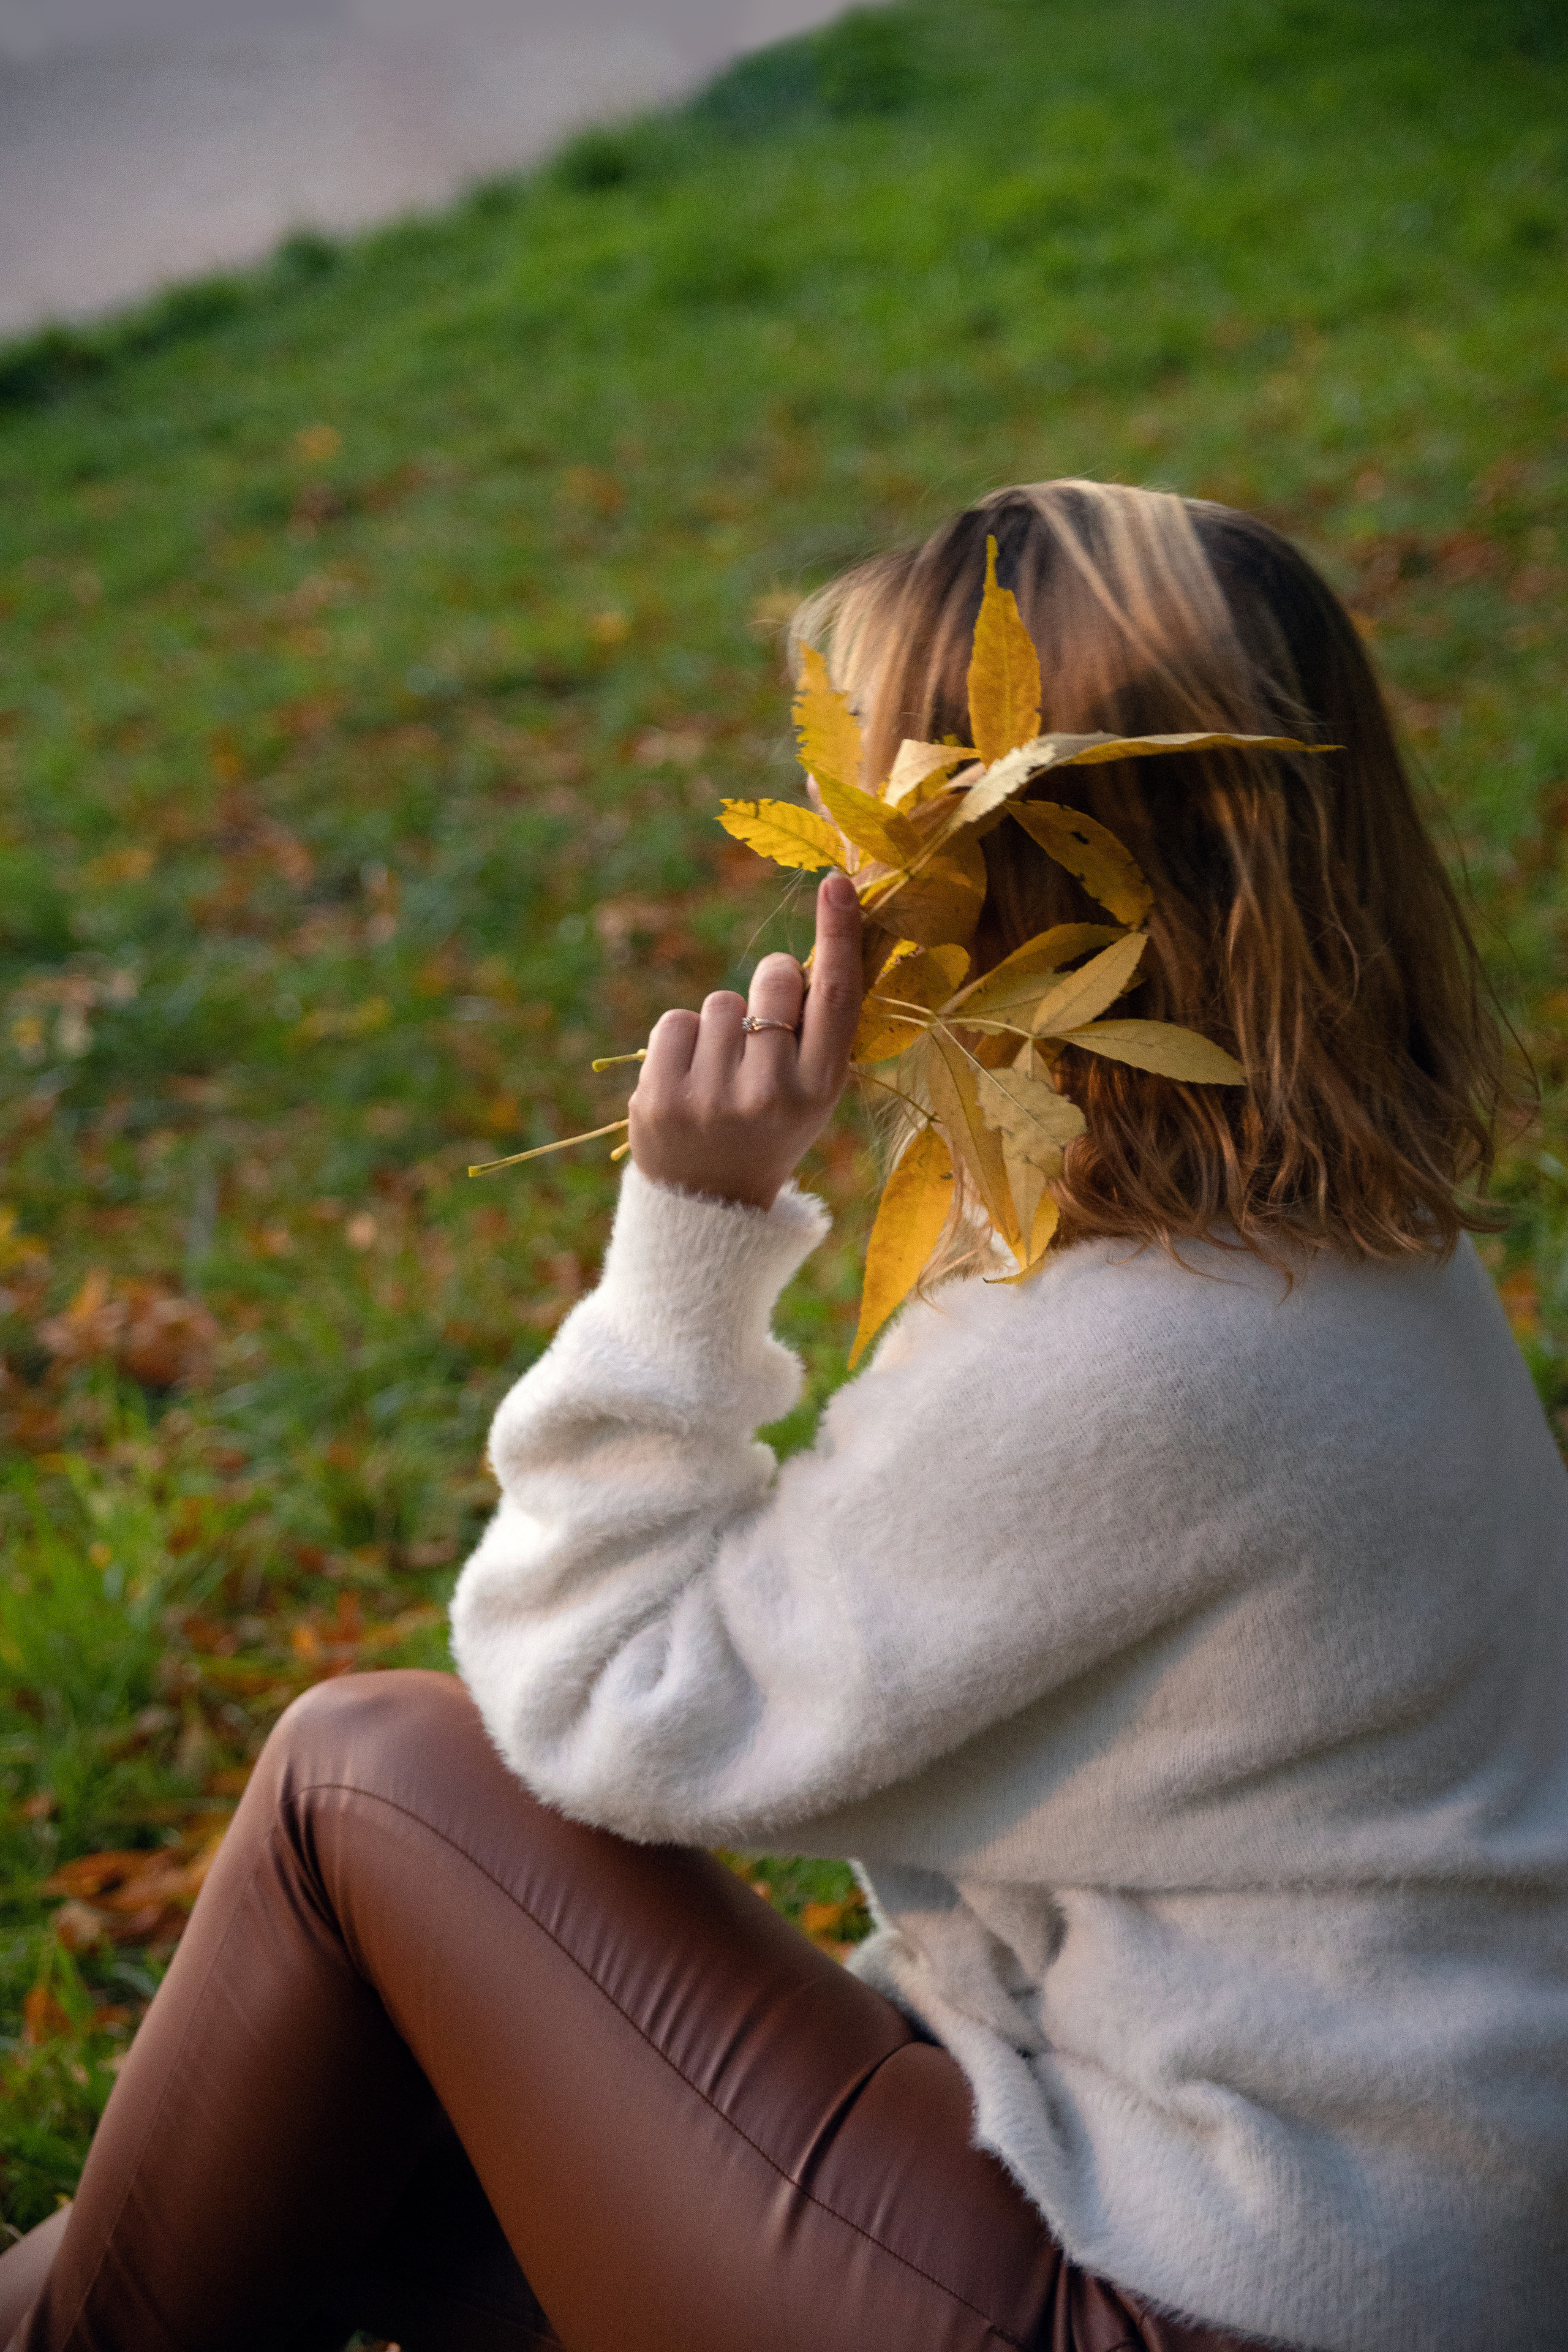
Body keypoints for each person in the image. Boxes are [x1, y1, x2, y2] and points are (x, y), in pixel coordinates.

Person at [4, 481, 1564, 2352]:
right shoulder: (1343, 1243)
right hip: (1373, 2200)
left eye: (872, 819)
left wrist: (692, 1238)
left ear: (1000, 875)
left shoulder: (1135, 1353)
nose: (834, 880)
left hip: (1227, 2290)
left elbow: (596, 1701)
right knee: (376, 2123)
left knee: (368, 1781)